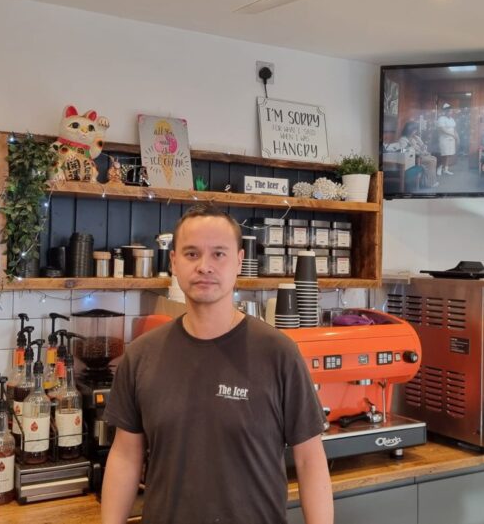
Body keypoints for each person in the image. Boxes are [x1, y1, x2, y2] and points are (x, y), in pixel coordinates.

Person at [101, 205, 333, 524]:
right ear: (174, 263)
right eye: (192, 254)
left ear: (239, 261)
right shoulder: (142, 355)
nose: (204, 266)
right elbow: (126, 456)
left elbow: (309, 460)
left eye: (219, 254)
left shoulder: (278, 353)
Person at [399, 121, 439, 187]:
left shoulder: (416, 137)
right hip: (413, 158)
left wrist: (424, 147)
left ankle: (430, 181)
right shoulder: (403, 139)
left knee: (434, 158)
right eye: (414, 130)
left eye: (415, 130)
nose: (415, 132)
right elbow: (402, 150)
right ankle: (429, 183)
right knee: (431, 161)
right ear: (408, 130)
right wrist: (413, 148)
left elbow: (422, 145)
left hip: (420, 155)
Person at [436, 104, 459, 175]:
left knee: (449, 154)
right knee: (444, 154)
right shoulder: (441, 119)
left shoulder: (452, 119)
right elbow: (443, 129)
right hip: (444, 139)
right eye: (450, 111)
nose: (451, 113)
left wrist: (457, 136)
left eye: (451, 111)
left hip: (451, 139)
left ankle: (445, 169)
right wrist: (452, 135)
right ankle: (439, 167)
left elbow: (454, 129)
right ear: (446, 112)